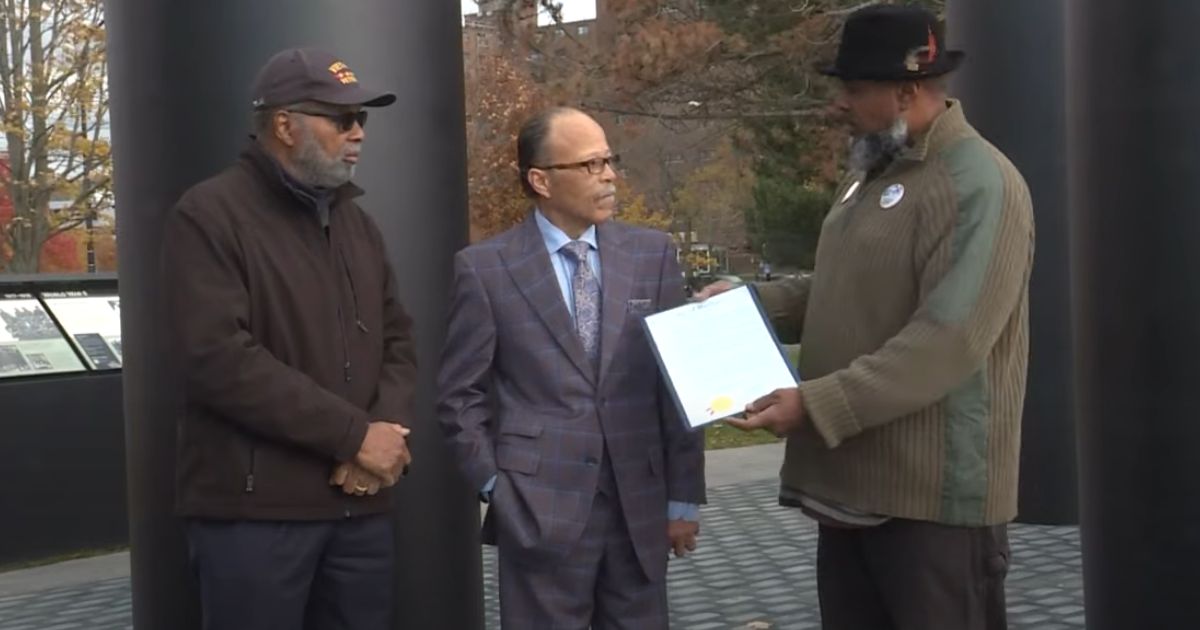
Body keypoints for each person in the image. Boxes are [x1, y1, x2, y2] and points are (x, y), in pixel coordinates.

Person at [698, 6, 1035, 630]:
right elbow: (839, 287)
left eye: (854, 89)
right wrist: (744, 300)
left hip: (931, 511)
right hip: (850, 495)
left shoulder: (979, 183)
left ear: (908, 90)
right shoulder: (874, 172)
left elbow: (948, 340)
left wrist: (816, 405)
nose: (839, 104)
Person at [163, 47, 417, 630]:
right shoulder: (207, 216)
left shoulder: (359, 224)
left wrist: (386, 434)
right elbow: (218, 359)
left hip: (361, 508)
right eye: (343, 119)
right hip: (255, 518)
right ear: (284, 125)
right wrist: (353, 436)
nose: (359, 134)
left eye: (364, 120)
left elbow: (399, 338)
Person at [437, 107, 706, 629]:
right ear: (540, 180)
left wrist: (683, 498)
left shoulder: (652, 255)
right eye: (589, 165)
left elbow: (678, 387)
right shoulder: (486, 268)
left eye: (609, 160)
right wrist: (496, 485)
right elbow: (459, 396)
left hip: (641, 510)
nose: (609, 175)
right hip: (539, 512)